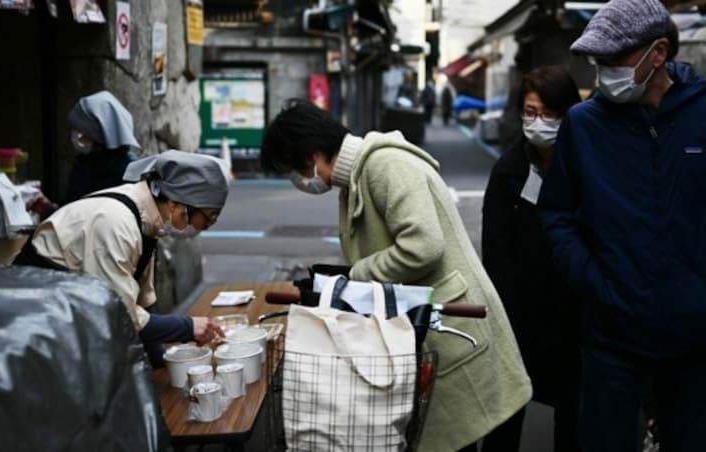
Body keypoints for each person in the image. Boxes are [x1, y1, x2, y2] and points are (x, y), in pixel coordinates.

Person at [260, 99, 531, 452]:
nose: (298, 181)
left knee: (456, 436)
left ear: (311, 155)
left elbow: (423, 245)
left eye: (292, 170)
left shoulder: (386, 164)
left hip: (455, 325)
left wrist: (358, 275)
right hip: (431, 322)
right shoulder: (357, 176)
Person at [537, 1, 706, 450]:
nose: (602, 72)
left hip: (695, 338)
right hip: (612, 334)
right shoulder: (583, 124)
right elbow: (557, 213)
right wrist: (593, 280)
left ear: (659, 52)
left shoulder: (701, 113)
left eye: (614, 60)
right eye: (597, 62)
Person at [14, 150, 228, 367]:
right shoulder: (116, 222)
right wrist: (187, 327)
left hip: (71, 307)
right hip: (36, 309)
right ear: (176, 204)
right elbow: (120, 316)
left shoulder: (148, 218)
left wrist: (160, 364)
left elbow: (143, 299)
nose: (202, 228)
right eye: (207, 218)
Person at [481, 66, 582, 452]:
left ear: (567, 112)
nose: (538, 121)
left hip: (574, 312)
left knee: (572, 415)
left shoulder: (586, 163)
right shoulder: (509, 169)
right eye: (530, 111)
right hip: (518, 316)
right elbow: (496, 249)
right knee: (506, 414)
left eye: (548, 113)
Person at [27, 90, 141, 220]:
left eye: (82, 132)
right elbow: (71, 215)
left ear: (99, 135)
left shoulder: (131, 172)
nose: (76, 136)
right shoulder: (83, 166)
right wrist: (47, 209)